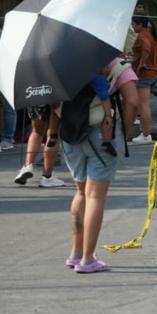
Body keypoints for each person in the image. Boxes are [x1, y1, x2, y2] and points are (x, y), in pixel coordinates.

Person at [60, 69, 119, 273]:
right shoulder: (92, 67)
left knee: (80, 192)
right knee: (95, 196)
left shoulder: (57, 71)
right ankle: (88, 259)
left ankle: (76, 253)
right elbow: (110, 99)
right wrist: (110, 120)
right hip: (96, 134)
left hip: (69, 134)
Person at [12, 104, 66, 187]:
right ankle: (47, 177)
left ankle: (27, 166)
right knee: (53, 133)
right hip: (55, 96)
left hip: (36, 96)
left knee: (36, 131)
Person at [129, 15, 157, 145]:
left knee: (143, 105)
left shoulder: (143, 36)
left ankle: (146, 135)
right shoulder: (154, 35)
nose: (133, 27)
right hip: (154, 72)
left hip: (145, 74)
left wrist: (141, 62)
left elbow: (146, 49)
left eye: (134, 24)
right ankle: (144, 132)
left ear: (140, 25)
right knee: (144, 104)